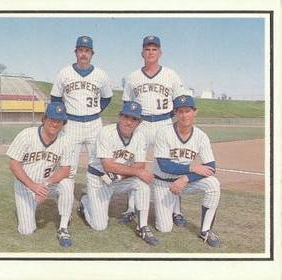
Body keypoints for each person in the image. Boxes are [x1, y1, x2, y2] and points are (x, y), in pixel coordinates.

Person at [120, 35, 189, 226]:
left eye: (154, 49)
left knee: (170, 164)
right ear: (142, 52)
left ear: (160, 52)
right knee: (135, 164)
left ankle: (176, 210)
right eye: (147, 49)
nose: (150, 52)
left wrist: (174, 124)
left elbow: (180, 102)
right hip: (141, 124)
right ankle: (131, 208)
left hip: (164, 122)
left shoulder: (171, 75)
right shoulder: (133, 77)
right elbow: (127, 105)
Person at [78, 101, 158, 246]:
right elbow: (107, 165)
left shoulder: (140, 136)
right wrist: (136, 171)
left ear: (139, 122)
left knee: (142, 183)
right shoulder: (106, 132)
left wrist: (123, 175)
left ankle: (143, 227)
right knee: (99, 226)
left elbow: (140, 164)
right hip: (99, 178)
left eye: (134, 119)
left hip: (120, 178)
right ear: (120, 116)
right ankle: (85, 202)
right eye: (126, 117)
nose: (129, 122)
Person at [152, 95, 221, 247]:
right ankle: (174, 209)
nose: (184, 115)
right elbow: (164, 166)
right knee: (164, 229)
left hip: (183, 182)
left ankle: (206, 230)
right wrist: (191, 168)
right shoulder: (164, 133)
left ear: (195, 112)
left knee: (213, 184)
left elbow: (211, 167)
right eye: (180, 111)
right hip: (163, 182)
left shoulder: (201, 136)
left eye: (188, 111)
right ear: (175, 113)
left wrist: (186, 179)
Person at [6, 102, 74, 248]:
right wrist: (34, 187)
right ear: (44, 119)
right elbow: (14, 164)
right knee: (27, 231)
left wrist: (45, 185)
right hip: (26, 184)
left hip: (48, 183)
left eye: (59, 121)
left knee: (68, 183)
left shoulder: (66, 139)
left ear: (63, 123)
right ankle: (29, 208)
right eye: (52, 119)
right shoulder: (27, 135)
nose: (55, 124)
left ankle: (63, 228)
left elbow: (65, 170)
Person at [50, 35, 113, 181]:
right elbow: (56, 99)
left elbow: (107, 97)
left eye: (87, 50)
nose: (83, 54)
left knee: (97, 166)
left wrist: (96, 111)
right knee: (69, 166)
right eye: (80, 50)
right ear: (75, 52)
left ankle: (92, 203)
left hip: (94, 124)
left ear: (92, 53)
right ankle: (66, 200)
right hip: (72, 123)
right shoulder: (64, 73)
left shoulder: (100, 74)